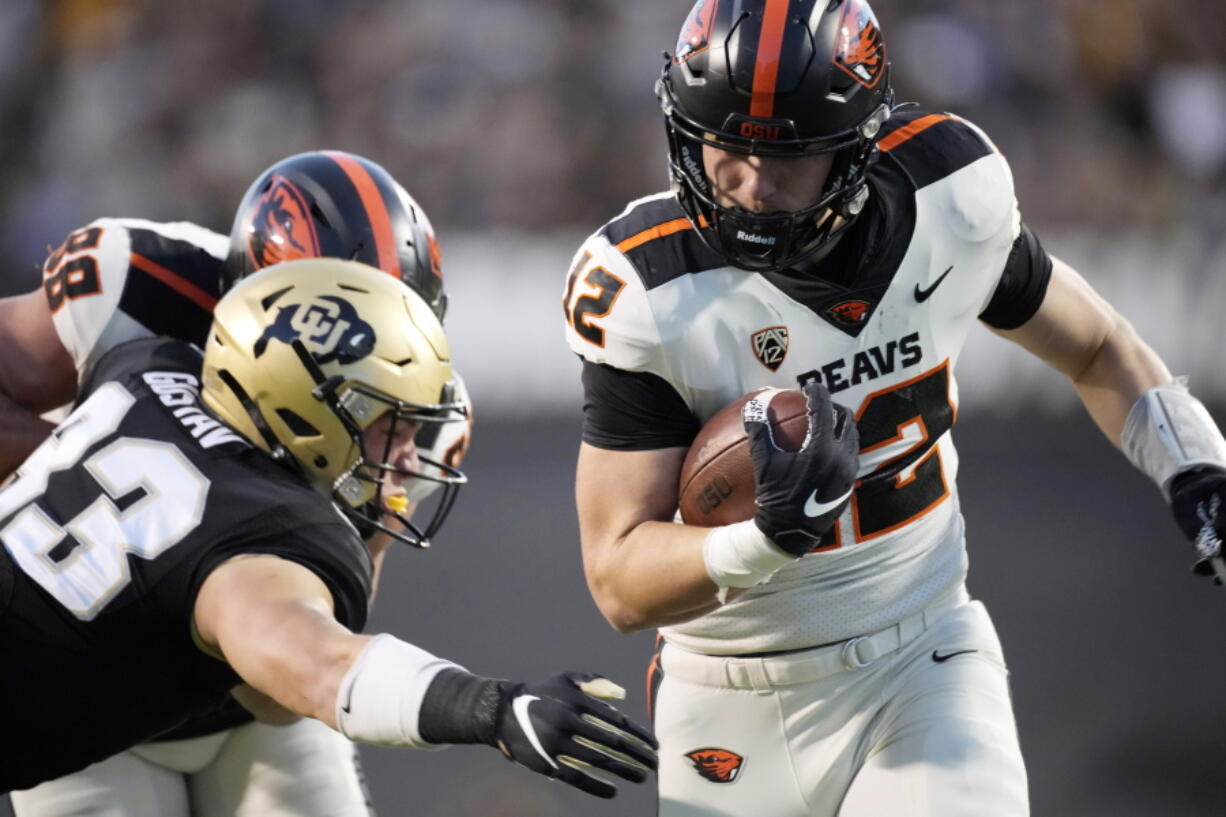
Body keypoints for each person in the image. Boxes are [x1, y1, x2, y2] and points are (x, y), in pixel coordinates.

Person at [561, 1, 1226, 815]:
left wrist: (1194, 463)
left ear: (857, 145)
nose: (753, 183)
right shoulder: (647, 289)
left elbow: (1093, 345)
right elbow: (619, 579)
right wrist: (764, 540)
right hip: (725, 695)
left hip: (920, 659)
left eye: (790, 155)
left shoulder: (951, 195)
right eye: (728, 145)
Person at [0, 258, 658, 800]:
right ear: (307, 405)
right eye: (389, 422)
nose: (406, 455)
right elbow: (319, 668)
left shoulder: (149, 366)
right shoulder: (259, 530)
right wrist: (493, 707)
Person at [0, 151, 473, 815]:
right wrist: (82, 470)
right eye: (346, 321)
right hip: (94, 678)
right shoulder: (142, 285)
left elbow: (277, 693)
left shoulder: (411, 419)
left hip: (248, 696)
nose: (379, 349)